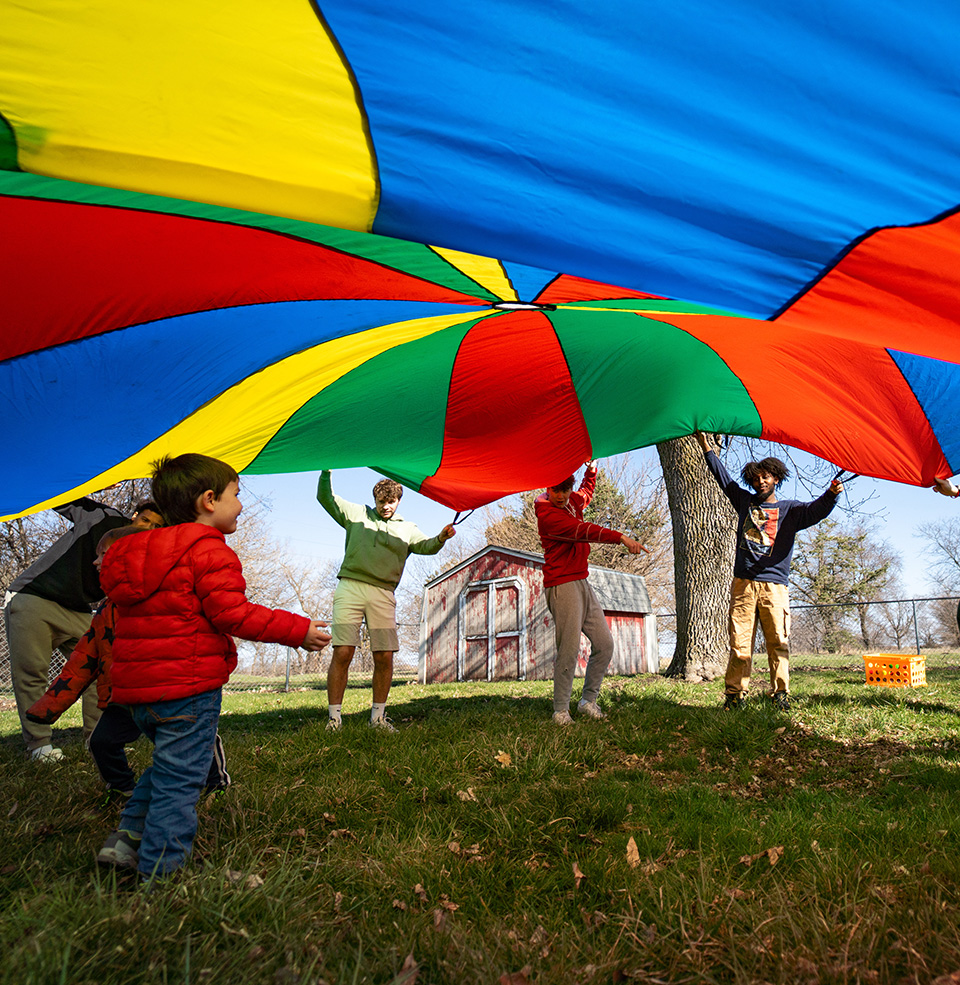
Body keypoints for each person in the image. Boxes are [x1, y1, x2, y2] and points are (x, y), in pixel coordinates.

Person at [95, 454, 329, 881]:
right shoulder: (207, 551)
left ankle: (125, 840)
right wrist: (299, 630)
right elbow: (233, 614)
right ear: (208, 500)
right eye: (236, 496)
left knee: (169, 766)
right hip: (187, 689)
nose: (240, 505)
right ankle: (161, 877)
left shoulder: (137, 555)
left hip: (136, 694)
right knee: (179, 784)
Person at [25, 525, 229, 802]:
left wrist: (210, 675)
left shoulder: (167, 596)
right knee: (101, 742)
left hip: (169, 694)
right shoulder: (106, 610)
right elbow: (83, 660)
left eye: (103, 554)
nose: (95, 562)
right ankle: (122, 788)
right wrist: (49, 705)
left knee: (189, 741)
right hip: (124, 697)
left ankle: (215, 784)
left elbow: (207, 636)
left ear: (131, 555)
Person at [695, 432, 842, 711]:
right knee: (739, 644)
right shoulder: (744, 502)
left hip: (775, 586)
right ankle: (735, 696)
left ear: (776, 478)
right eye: (755, 478)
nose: (760, 481)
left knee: (778, 642)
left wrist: (831, 495)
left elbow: (816, 511)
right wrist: (706, 448)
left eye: (766, 477)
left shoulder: (790, 510)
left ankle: (781, 694)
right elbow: (722, 478)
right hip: (744, 585)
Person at [317, 470, 455, 732]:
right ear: (375, 501)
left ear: (399, 501)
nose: (386, 507)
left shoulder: (407, 529)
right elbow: (326, 498)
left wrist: (441, 538)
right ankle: (334, 718)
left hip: (383, 594)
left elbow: (426, 546)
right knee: (343, 651)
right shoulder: (356, 515)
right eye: (381, 502)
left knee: (384, 655)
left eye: (391, 502)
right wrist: (327, 471)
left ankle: (377, 718)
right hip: (350, 587)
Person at [4, 496, 137, 760]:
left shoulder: (148, 552)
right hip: (33, 596)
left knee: (100, 669)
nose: (148, 526)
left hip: (79, 609)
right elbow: (60, 496)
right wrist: (95, 482)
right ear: (133, 517)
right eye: (144, 518)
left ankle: (98, 740)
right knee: (32, 673)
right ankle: (38, 745)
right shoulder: (104, 517)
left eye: (157, 524)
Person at [534, 462, 646, 724]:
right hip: (562, 584)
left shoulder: (571, 500)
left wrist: (591, 471)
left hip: (582, 580)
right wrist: (620, 537)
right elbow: (584, 531)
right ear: (547, 488)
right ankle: (561, 710)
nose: (561, 496)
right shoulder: (548, 516)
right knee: (569, 648)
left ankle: (588, 701)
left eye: (565, 489)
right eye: (555, 490)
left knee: (605, 644)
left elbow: (585, 494)